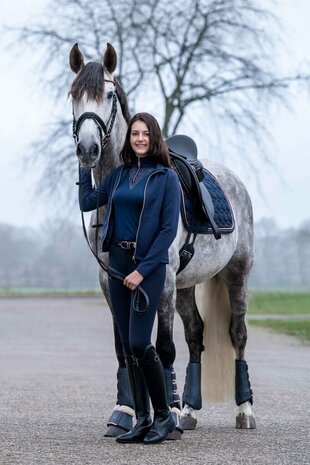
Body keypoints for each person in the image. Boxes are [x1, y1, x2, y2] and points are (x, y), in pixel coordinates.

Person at [78, 113, 181, 444]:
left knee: (139, 341)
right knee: (127, 345)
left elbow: (167, 232)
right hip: (118, 262)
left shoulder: (166, 178)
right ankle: (142, 418)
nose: (139, 139)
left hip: (147, 265)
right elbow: (88, 201)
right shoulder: (120, 175)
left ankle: (164, 416)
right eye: (134, 133)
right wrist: (84, 163)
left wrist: (141, 270)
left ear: (154, 138)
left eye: (145, 134)